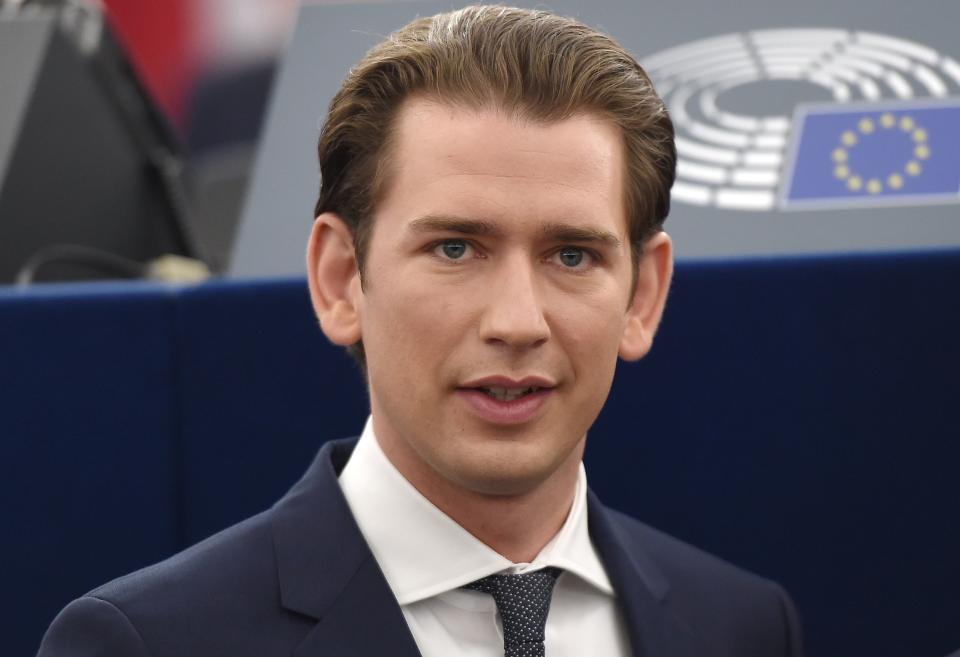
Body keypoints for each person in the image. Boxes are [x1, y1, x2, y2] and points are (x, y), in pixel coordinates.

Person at [38, 6, 803, 657]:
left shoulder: (741, 626)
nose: (516, 322)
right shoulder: (151, 642)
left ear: (644, 293)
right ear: (342, 278)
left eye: (572, 254)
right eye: (455, 248)